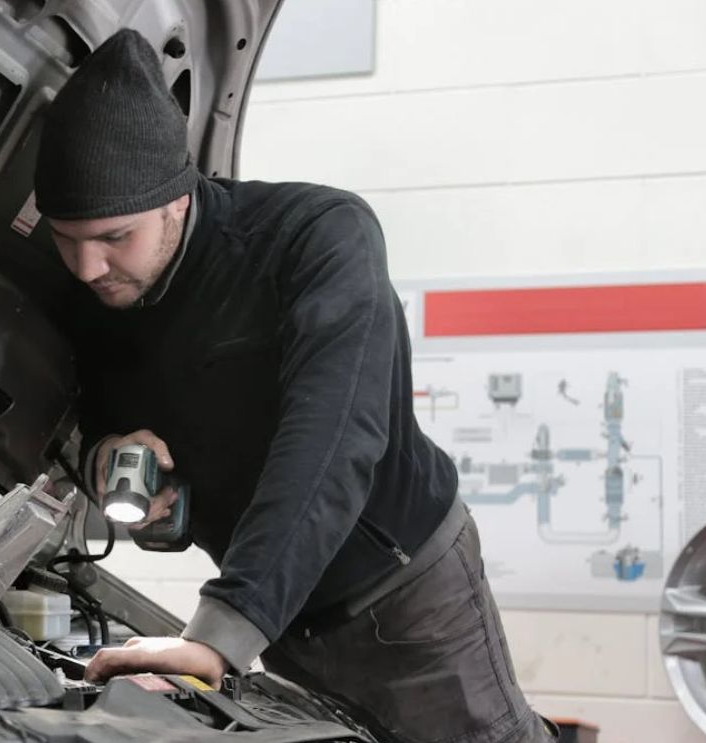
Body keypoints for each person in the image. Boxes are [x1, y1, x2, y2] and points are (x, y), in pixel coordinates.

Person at [32, 28, 556, 743]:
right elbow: (80, 412)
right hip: (279, 618)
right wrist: (100, 459)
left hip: (405, 600)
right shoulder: (91, 295)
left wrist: (220, 632)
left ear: (177, 201)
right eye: (67, 240)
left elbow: (332, 440)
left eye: (114, 238)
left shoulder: (315, 237)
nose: (88, 268)